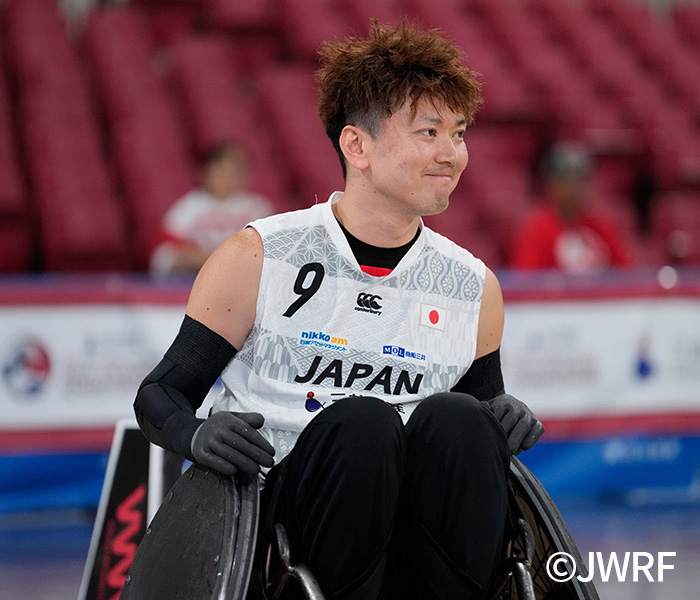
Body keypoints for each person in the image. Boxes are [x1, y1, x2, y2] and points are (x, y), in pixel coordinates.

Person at [134, 21, 543, 600]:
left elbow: (469, 434)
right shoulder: (259, 254)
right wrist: (194, 433)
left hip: (414, 531)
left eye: (459, 133)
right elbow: (159, 395)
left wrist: (502, 417)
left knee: (460, 420)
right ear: (358, 147)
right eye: (430, 132)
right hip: (281, 521)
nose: (451, 154)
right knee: (364, 424)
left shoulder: (473, 285)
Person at [149, 141, 274, 275]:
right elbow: (161, 256)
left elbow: (273, 253)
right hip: (197, 281)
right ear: (206, 172)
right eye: (222, 170)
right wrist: (188, 256)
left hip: (243, 281)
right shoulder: (188, 208)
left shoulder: (257, 209)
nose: (229, 178)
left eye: (236, 171)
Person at [510, 141, 631, 272]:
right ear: (552, 184)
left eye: (582, 180)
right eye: (568, 180)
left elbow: (625, 274)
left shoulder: (602, 226)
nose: (576, 188)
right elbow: (525, 282)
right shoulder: (536, 230)